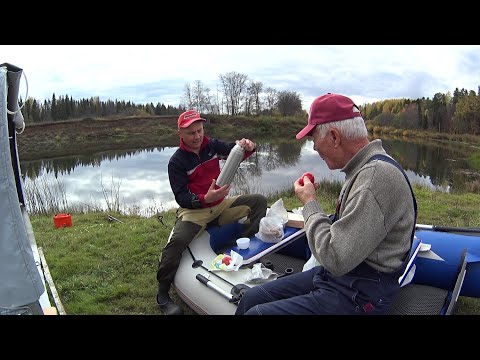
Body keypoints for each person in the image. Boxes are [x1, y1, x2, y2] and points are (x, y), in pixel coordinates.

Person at [235, 93, 417, 315]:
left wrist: (310, 202)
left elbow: (335, 257)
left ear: (334, 137)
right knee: (253, 298)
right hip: (343, 276)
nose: (314, 148)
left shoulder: (374, 179)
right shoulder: (365, 167)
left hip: (362, 293)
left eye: (313, 139)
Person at [156, 110, 267, 315]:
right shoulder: (176, 162)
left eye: (199, 130)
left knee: (258, 202)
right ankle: (162, 294)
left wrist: (249, 147)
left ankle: (244, 251)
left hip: (220, 205)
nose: (197, 136)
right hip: (194, 210)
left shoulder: (212, 146)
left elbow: (237, 152)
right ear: (180, 133)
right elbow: (181, 197)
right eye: (191, 133)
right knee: (177, 242)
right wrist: (204, 199)